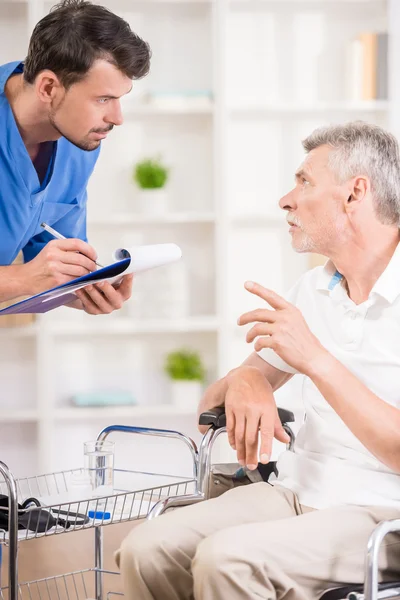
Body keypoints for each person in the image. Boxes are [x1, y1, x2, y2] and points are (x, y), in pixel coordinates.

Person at [116, 121, 400, 599]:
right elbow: (220, 397)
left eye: (304, 182)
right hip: (296, 492)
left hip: (381, 512)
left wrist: (315, 360)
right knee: (149, 546)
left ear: (355, 194)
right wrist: (248, 379)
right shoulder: (315, 289)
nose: (286, 200)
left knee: (227, 561)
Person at [0, 0, 151, 314]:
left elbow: (52, 257)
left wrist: (85, 288)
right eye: (103, 99)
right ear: (49, 87)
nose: (117, 117)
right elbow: (29, 277)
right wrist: (20, 279)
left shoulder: (79, 141)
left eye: (119, 99)